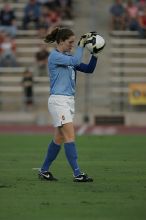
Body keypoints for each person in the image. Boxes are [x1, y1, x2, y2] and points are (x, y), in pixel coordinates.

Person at [38, 27, 98, 182]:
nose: (72, 45)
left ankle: (44, 170)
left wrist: (95, 54)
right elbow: (76, 60)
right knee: (70, 136)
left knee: (59, 138)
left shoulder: (69, 58)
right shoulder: (55, 56)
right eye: (70, 42)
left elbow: (89, 69)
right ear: (60, 41)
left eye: (73, 42)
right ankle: (77, 173)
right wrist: (81, 45)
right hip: (59, 101)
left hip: (68, 101)